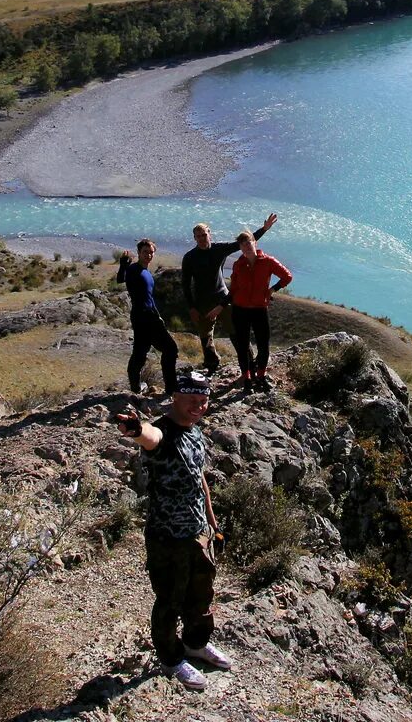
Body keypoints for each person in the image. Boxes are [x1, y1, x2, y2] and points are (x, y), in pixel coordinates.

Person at [113, 370, 231, 692]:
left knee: (202, 595)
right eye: (191, 399)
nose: (198, 406)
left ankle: (195, 643)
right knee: (169, 600)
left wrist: (213, 523)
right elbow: (150, 437)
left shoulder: (195, 432)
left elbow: (199, 478)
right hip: (167, 536)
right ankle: (171, 658)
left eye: (203, 400)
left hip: (198, 532)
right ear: (175, 397)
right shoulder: (163, 432)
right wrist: (136, 430)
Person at [182, 213, 278, 374]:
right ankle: (212, 362)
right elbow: (185, 284)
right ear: (194, 238)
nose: (202, 238)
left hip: (223, 297)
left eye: (204, 234)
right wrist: (191, 307)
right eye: (198, 236)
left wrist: (264, 229)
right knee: (205, 335)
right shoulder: (190, 257)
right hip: (202, 302)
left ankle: (249, 362)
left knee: (236, 331)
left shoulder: (220, 249)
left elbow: (245, 242)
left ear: (209, 234)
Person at [226, 230, 292, 393]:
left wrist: (272, 289)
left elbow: (287, 276)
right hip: (239, 310)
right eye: (242, 244)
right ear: (240, 248)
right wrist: (223, 304)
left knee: (263, 346)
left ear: (255, 243)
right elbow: (233, 288)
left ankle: (261, 377)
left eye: (248, 242)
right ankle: (247, 379)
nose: (246, 246)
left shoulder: (268, 261)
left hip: (259, 309)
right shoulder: (238, 264)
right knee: (242, 346)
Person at [117, 238, 179, 396]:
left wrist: (158, 315)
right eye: (145, 252)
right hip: (144, 317)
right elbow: (121, 279)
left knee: (140, 352)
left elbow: (149, 298)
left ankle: (136, 388)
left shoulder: (147, 273)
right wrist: (123, 264)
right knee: (170, 349)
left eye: (151, 252)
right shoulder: (134, 269)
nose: (149, 255)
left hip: (146, 316)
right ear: (139, 253)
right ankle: (171, 388)